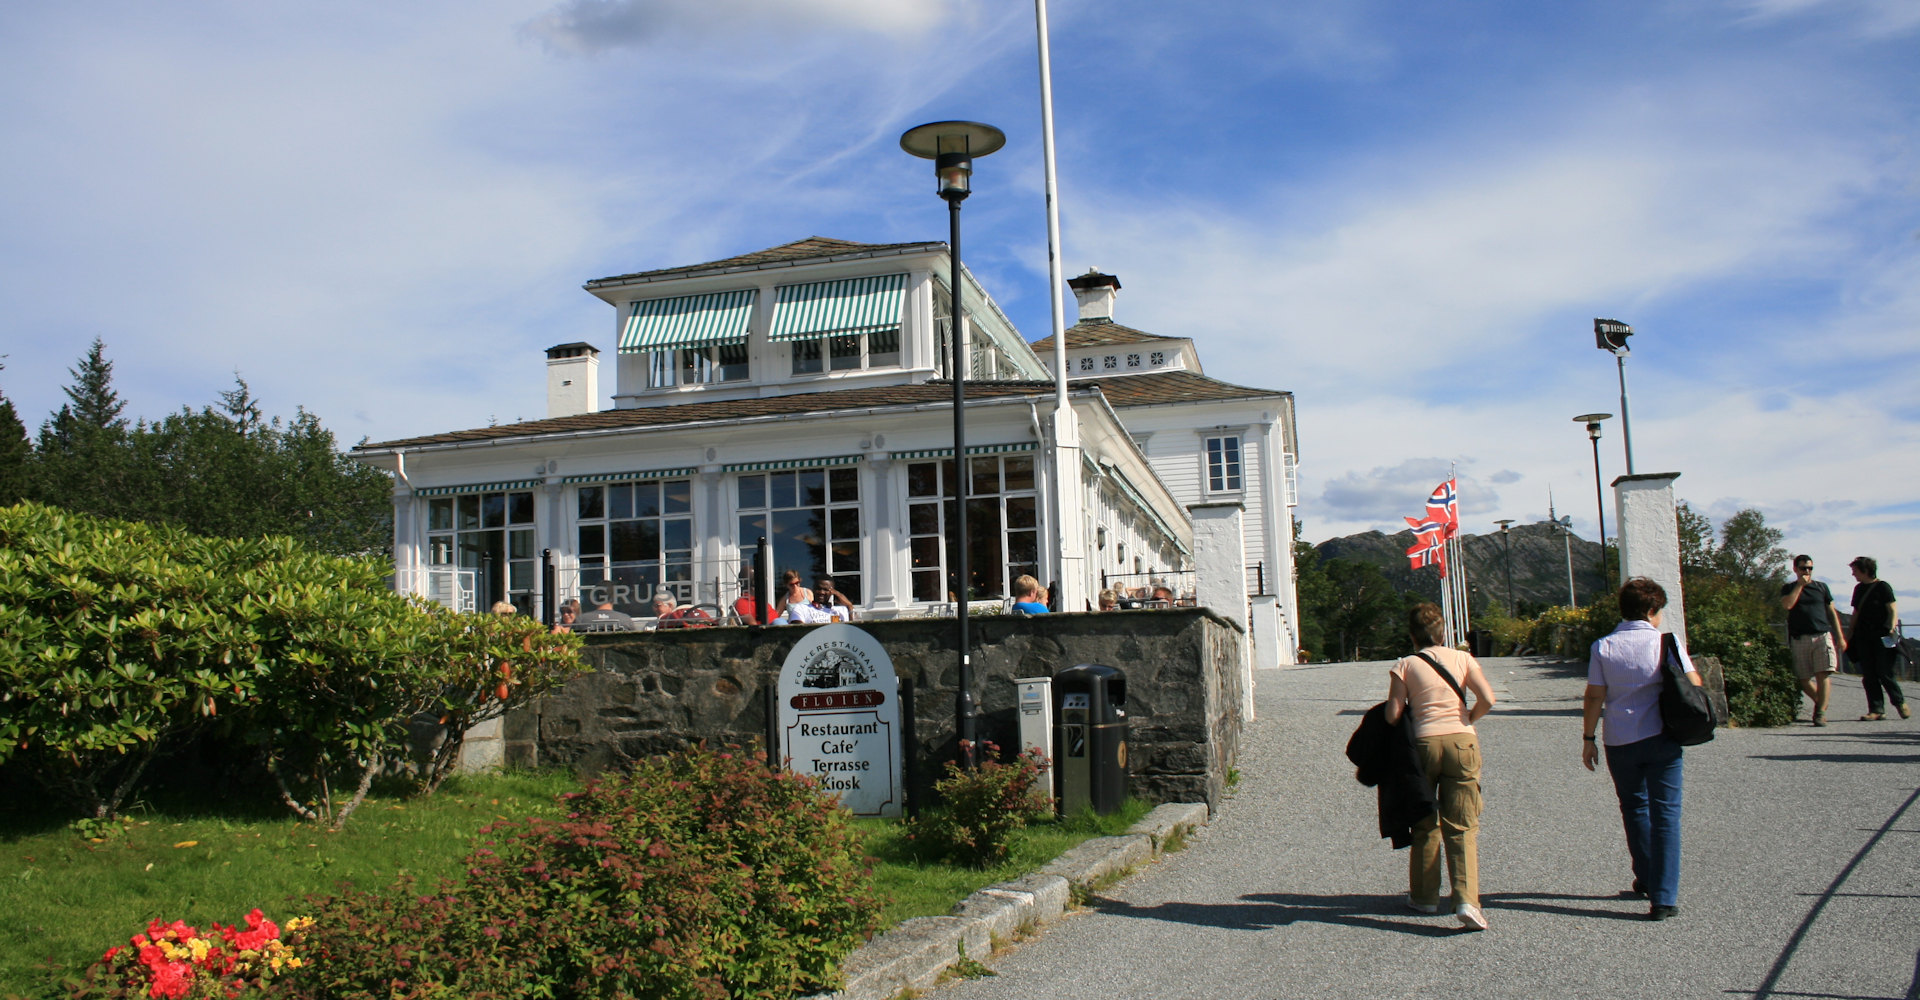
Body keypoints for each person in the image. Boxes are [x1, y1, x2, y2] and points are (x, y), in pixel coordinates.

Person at [1583, 578, 1703, 921]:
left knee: (1634, 808)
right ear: (1652, 610)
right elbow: (1693, 682)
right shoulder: (1667, 642)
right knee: (1666, 814)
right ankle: (1663, 898)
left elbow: (1594, 695)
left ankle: (1647, 876)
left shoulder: (1603, 646)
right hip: (1662, 736)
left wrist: (1587, 738)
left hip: (1619, 739)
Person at [1384, 602, 1495, 931]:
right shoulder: (1463, 658)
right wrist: (1467, 720)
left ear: (1412, 635)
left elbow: (1392, 715)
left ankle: (1425, 897)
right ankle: (1466, 900)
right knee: (1462, 824)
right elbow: (1487, 698)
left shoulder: (1405, 665)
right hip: (1462, 742)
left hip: (1423, 745)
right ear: (1442, 631)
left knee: (1425, 821)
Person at [1780, 555, 1845, 726]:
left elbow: (1832, 612)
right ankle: (1820, 701)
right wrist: (1800, 586)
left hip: (1822, 635)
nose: (1806, 572)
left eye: (1809, 569)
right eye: (1803, 568)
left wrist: (1840, 636)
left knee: (1823, 673)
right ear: (1795, 569)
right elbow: (1787, 605)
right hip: (1800, 637)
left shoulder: (1821, 588)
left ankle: (1820, 712)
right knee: (1803, 678)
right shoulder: (1788, 588)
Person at [1846, 556, 1908, 721]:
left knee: (1884, 671)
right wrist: (1849, 634)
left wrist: (1892, 627)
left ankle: (1899, 702)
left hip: (1882, 635)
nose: (1853, 574)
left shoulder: (1883, 587)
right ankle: (1876, 709)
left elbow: (1892, 609)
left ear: (1865, 570)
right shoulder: (1858, 589)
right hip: (1863, 636)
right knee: (1869, 674)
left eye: (1855, 571)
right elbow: (1856, 613)